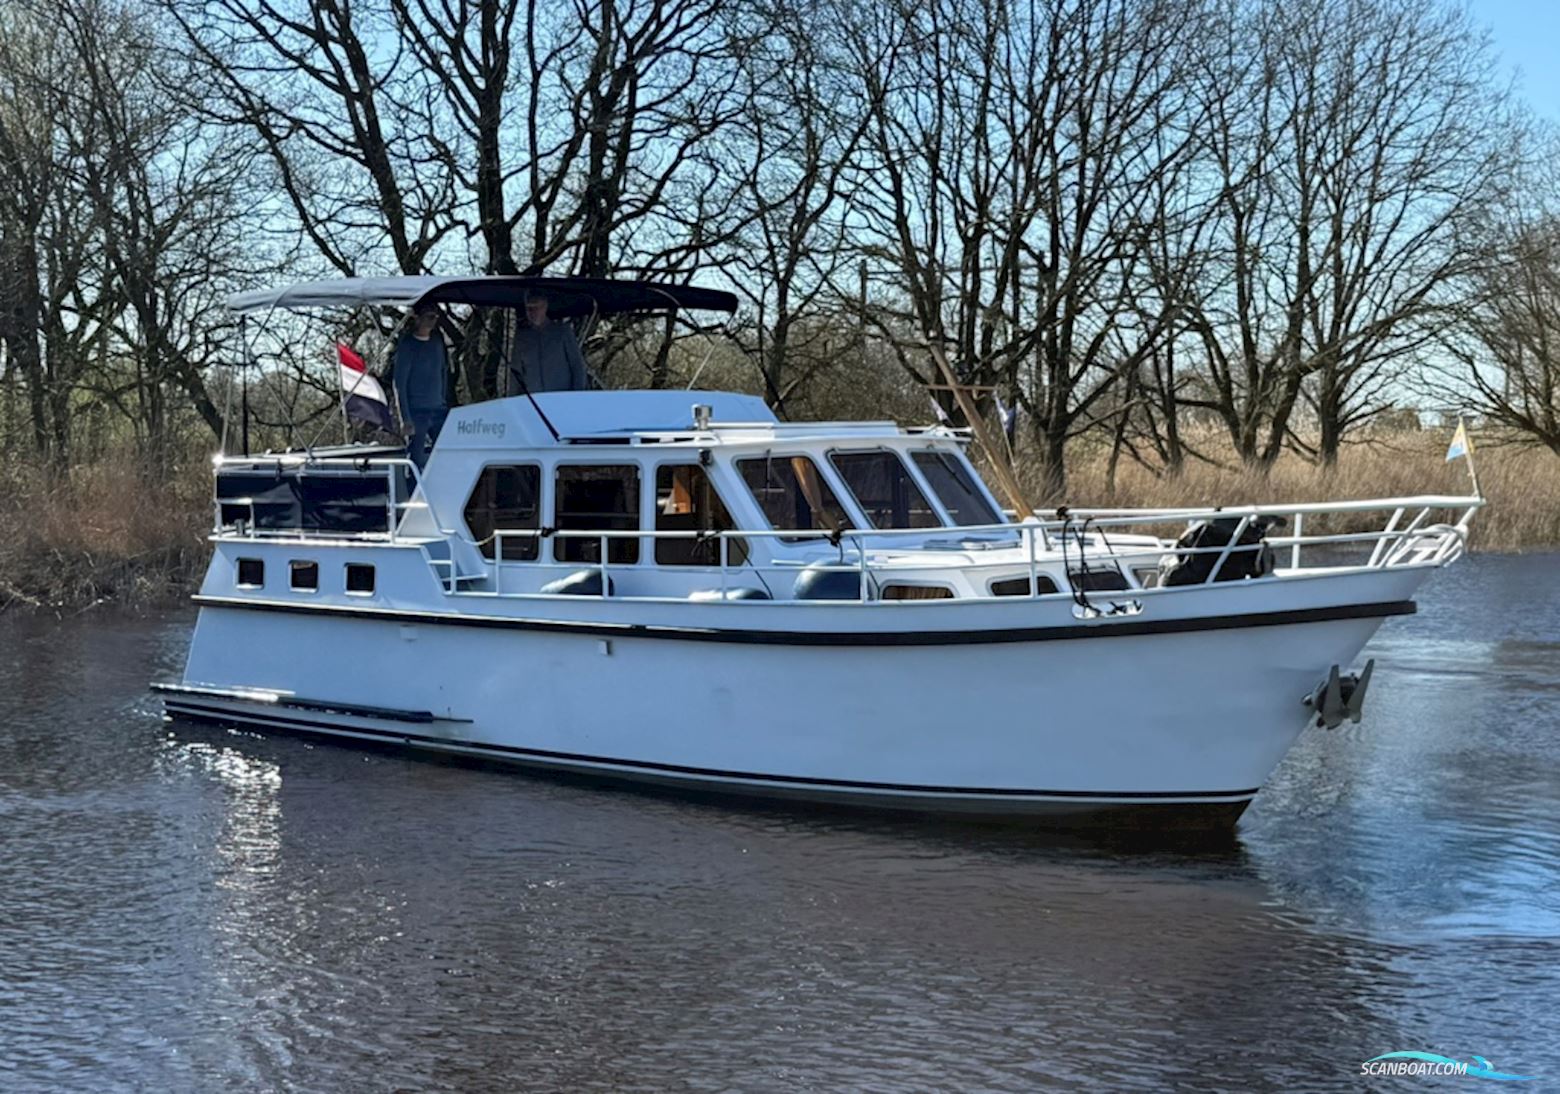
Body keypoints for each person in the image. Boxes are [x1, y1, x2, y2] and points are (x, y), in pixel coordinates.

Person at [393, 302, 450, 468]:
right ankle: (412, 492)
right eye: (428, 317)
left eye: (435, 317)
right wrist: (405, 418)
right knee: (415, 459)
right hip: (417, 412)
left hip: (439, 410)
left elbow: (443, 372)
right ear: (416, 318)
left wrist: (443, 400)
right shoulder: (407, 345)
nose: (432, 321)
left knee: (445, 454)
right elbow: (399, 384)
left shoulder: (437, 343)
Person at [504, 290, 588, 395]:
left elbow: (577, 366)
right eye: (529, 309)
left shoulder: (562, 332)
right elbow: (516, 374)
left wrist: (577, 396)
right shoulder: (522, 338)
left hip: (562, 399)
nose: (532, 313)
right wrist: (513, 401)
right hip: (533, 401)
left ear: (545, 307)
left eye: (536, 308)